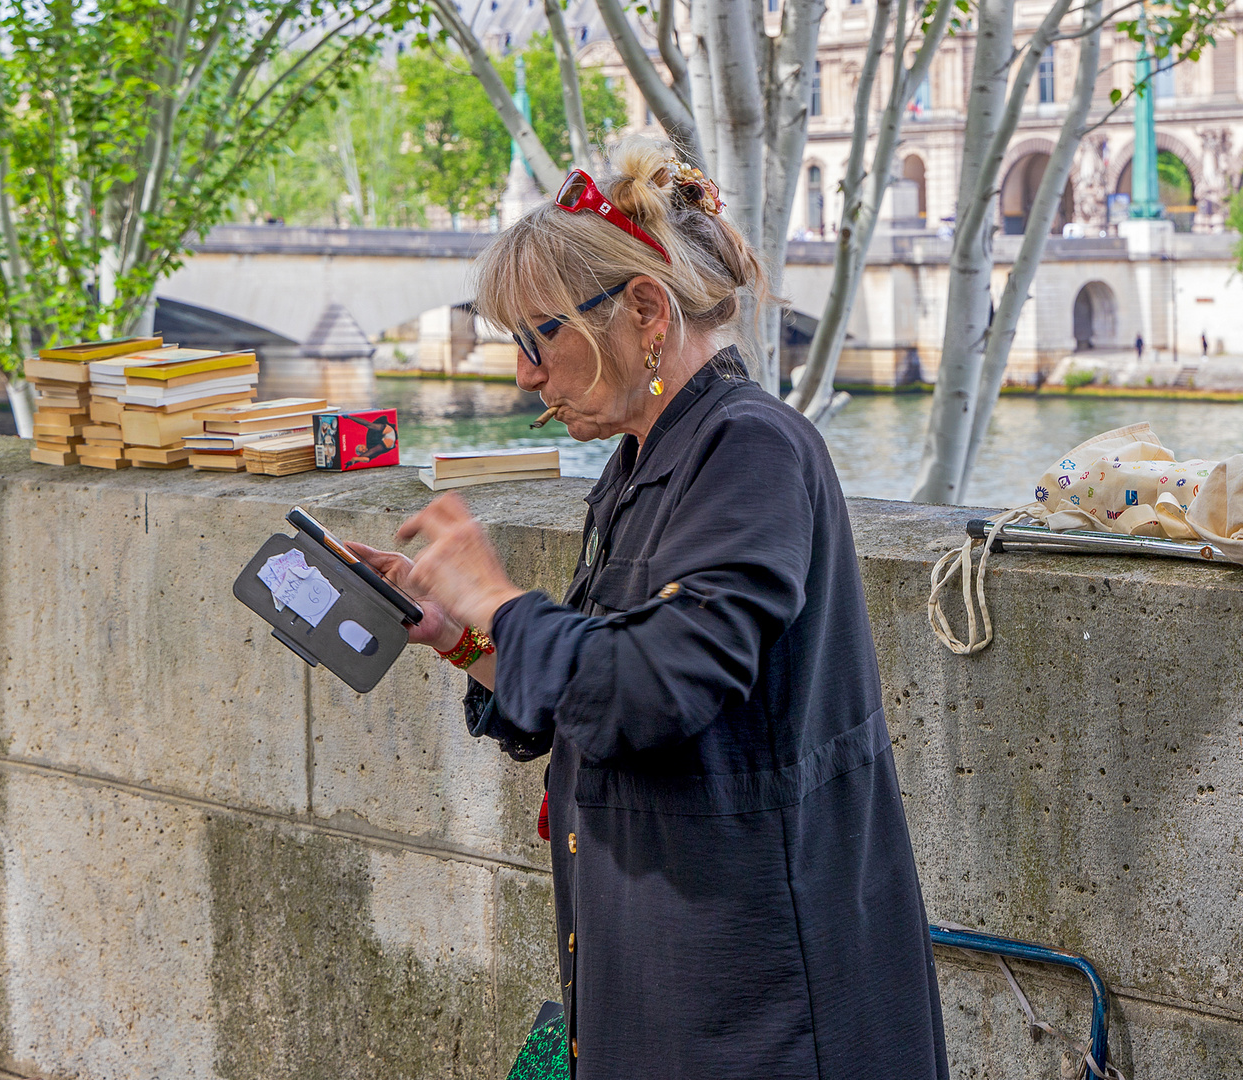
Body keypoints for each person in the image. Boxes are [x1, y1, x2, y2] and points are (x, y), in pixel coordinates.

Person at [348, 139, 948, 1079]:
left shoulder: (753, 446)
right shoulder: (640, 459)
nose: (526, 377)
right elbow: (602, 685)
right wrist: (458, 634)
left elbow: (657, 689)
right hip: (670, 966)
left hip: (761, 999)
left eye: (539, 337)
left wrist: (500, 598)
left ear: (645, 311)